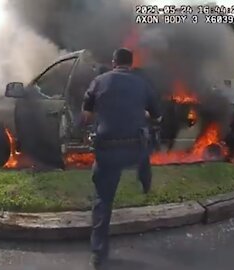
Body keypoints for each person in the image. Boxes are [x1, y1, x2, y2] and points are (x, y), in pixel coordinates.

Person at [81, 48, 162, 268]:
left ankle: (98, 254)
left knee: (102, 201)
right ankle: (144, 176)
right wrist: (140, 112)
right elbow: (156, 115)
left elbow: (86, 117)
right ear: (131, 64)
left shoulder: (98, 82)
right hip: (135, 150)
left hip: (108, 152)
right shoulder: (142, 83)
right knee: (146, 144)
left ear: (113, 62)